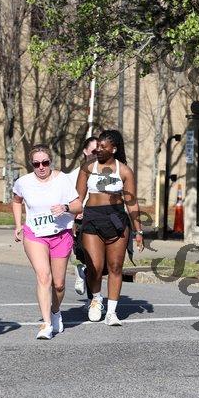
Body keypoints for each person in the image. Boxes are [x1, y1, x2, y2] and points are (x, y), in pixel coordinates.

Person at [13, 144, 82, 340]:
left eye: (45, 163)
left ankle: (55, 311)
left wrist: (65, 207)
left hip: (60, 234)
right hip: (35, 234)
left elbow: (78, 205)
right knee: (44, 277)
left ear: (50, 162)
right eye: (36, 164)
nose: (41, 167)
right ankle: (46, 323)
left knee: (58, 285)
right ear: (31, 164)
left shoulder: (62, 180)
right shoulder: (23, 182)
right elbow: (16, 200)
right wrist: (18, 224)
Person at [76, 129, 144, 325]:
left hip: (116, 219)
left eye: (102, 147)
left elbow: (132, 203)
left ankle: (112, 312)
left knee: (115, 267)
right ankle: (96, 300)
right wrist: (71, 223)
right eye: (97, 146)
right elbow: (77, 199)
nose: (98, 150)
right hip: (92, 218)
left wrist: (138, 231)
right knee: (95, 267)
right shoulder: (88, 168)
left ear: (113, 149)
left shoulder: (124, 171)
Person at [67, 137, 98, 298]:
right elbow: (67, 200)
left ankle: (84, 273)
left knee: (98, 262)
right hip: (81, 221)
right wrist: (74, 215)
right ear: (85, 151)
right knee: (88, 257)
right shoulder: (74, 175)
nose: (97, 154)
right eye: (93, 151)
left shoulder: (105, 172)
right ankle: (92, 300)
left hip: (100, 219)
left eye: (99, 151)